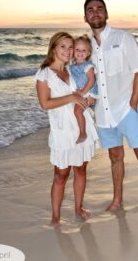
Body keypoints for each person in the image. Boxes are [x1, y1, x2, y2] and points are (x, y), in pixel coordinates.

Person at [83, 0, 138, 226]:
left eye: (100, 9)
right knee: (115, 156)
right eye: (90, 10)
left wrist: (133, 103)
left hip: (126, 110)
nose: (95, 13)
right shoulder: (85, 46)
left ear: (106, 13)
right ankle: (118, 199)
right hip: (103, 114)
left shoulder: (123, 38)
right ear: (85, 17)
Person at [35, 32, 98, 226]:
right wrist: (70, 98)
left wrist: (89, 100)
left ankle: (78, 208)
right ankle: (55, 216)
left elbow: (88, 88)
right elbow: (45, 104)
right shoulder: (44, 74)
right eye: (63, 46)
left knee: (80, 169)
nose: (68, 51)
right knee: (61, 175)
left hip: (81, 125)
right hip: (62, 129)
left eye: (71, 47)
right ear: (53, 47)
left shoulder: (72, 70)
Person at [70, 35, 99, 144]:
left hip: (89, 93)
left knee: (77, 111)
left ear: (88, 53)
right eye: (77, 49)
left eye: (83, 50)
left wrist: (84, 93)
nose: (80, 52)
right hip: (81, 92)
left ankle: (83, 133)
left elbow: (92, 80)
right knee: (75, 112)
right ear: (73, 51)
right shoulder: (72, 66)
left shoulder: (88, 66)